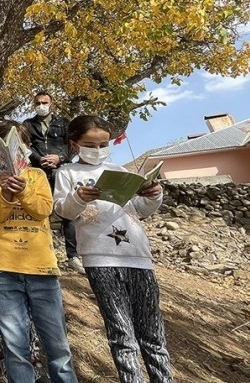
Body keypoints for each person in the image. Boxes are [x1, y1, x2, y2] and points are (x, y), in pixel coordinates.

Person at [54, 115, 173, 383]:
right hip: (100, 259)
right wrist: (78, 198)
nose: (97, 150)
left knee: (153, 332)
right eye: (90, 144)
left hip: (139, 256)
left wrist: (154, 196)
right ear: (74, 144)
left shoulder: (120, 171)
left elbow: (139, 210)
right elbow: (64, 210)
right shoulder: (67, 173)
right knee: (121, 333)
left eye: (103, 144)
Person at [0, 121, 77, 383]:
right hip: (5, 270)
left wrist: (22, 191)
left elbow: (44, 209)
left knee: (58, 347)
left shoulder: (37, 176)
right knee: (16, 349)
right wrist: (8, 194)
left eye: (19, 143)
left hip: (42, 269)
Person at [22, 92, 83, 274]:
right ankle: (42, 253)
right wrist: (39, 159)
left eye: (45, 102)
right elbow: (24, 145)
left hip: (62, 171)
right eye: (38, 103)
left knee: (69, 213)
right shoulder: (28, 124)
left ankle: (73, 256)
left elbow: (73, 146)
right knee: (39, 211)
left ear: (51, 104)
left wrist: (60, 158)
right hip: (38, 172)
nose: (41, 105)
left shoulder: (64, 123)